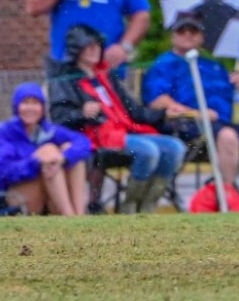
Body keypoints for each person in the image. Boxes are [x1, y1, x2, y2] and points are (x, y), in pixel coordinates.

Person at [143, 10, 239, 212]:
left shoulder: (214, 66)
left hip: (223, 122)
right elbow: (158, 101)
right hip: (188, 126)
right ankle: (227, 201)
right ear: (173, 36)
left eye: (193, 31)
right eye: (182, 30)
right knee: (228, 137)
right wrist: (199, 114)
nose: (188, 34)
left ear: (202, 37)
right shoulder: (164, 64)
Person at [47, 24, 183, 213]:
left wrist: (163, 114)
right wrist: (82, 114)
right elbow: (59, 117)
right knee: (148, 151)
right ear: (77, 50)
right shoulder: (66, 80)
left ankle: (147, 206)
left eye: (97, 45)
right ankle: (129, 206)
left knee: (174, 148)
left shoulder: (107, 77)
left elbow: (134, 112)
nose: (95, 50)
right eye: (89, 46)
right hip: (97, 137)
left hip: (124, 131)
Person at [0, 83, 91, 216]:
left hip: (51, 192)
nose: (30, 108)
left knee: (69, 152)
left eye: (35, 103)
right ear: (16, 107)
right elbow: (4, 172)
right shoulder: (5, 132)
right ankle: (70, 216)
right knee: (49, 152)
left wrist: (63, 158)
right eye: (25, 103)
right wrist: (35, 161)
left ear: (42, 108)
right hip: (18, 194)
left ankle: (78, 214)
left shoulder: (48, 130)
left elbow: (83, 142)